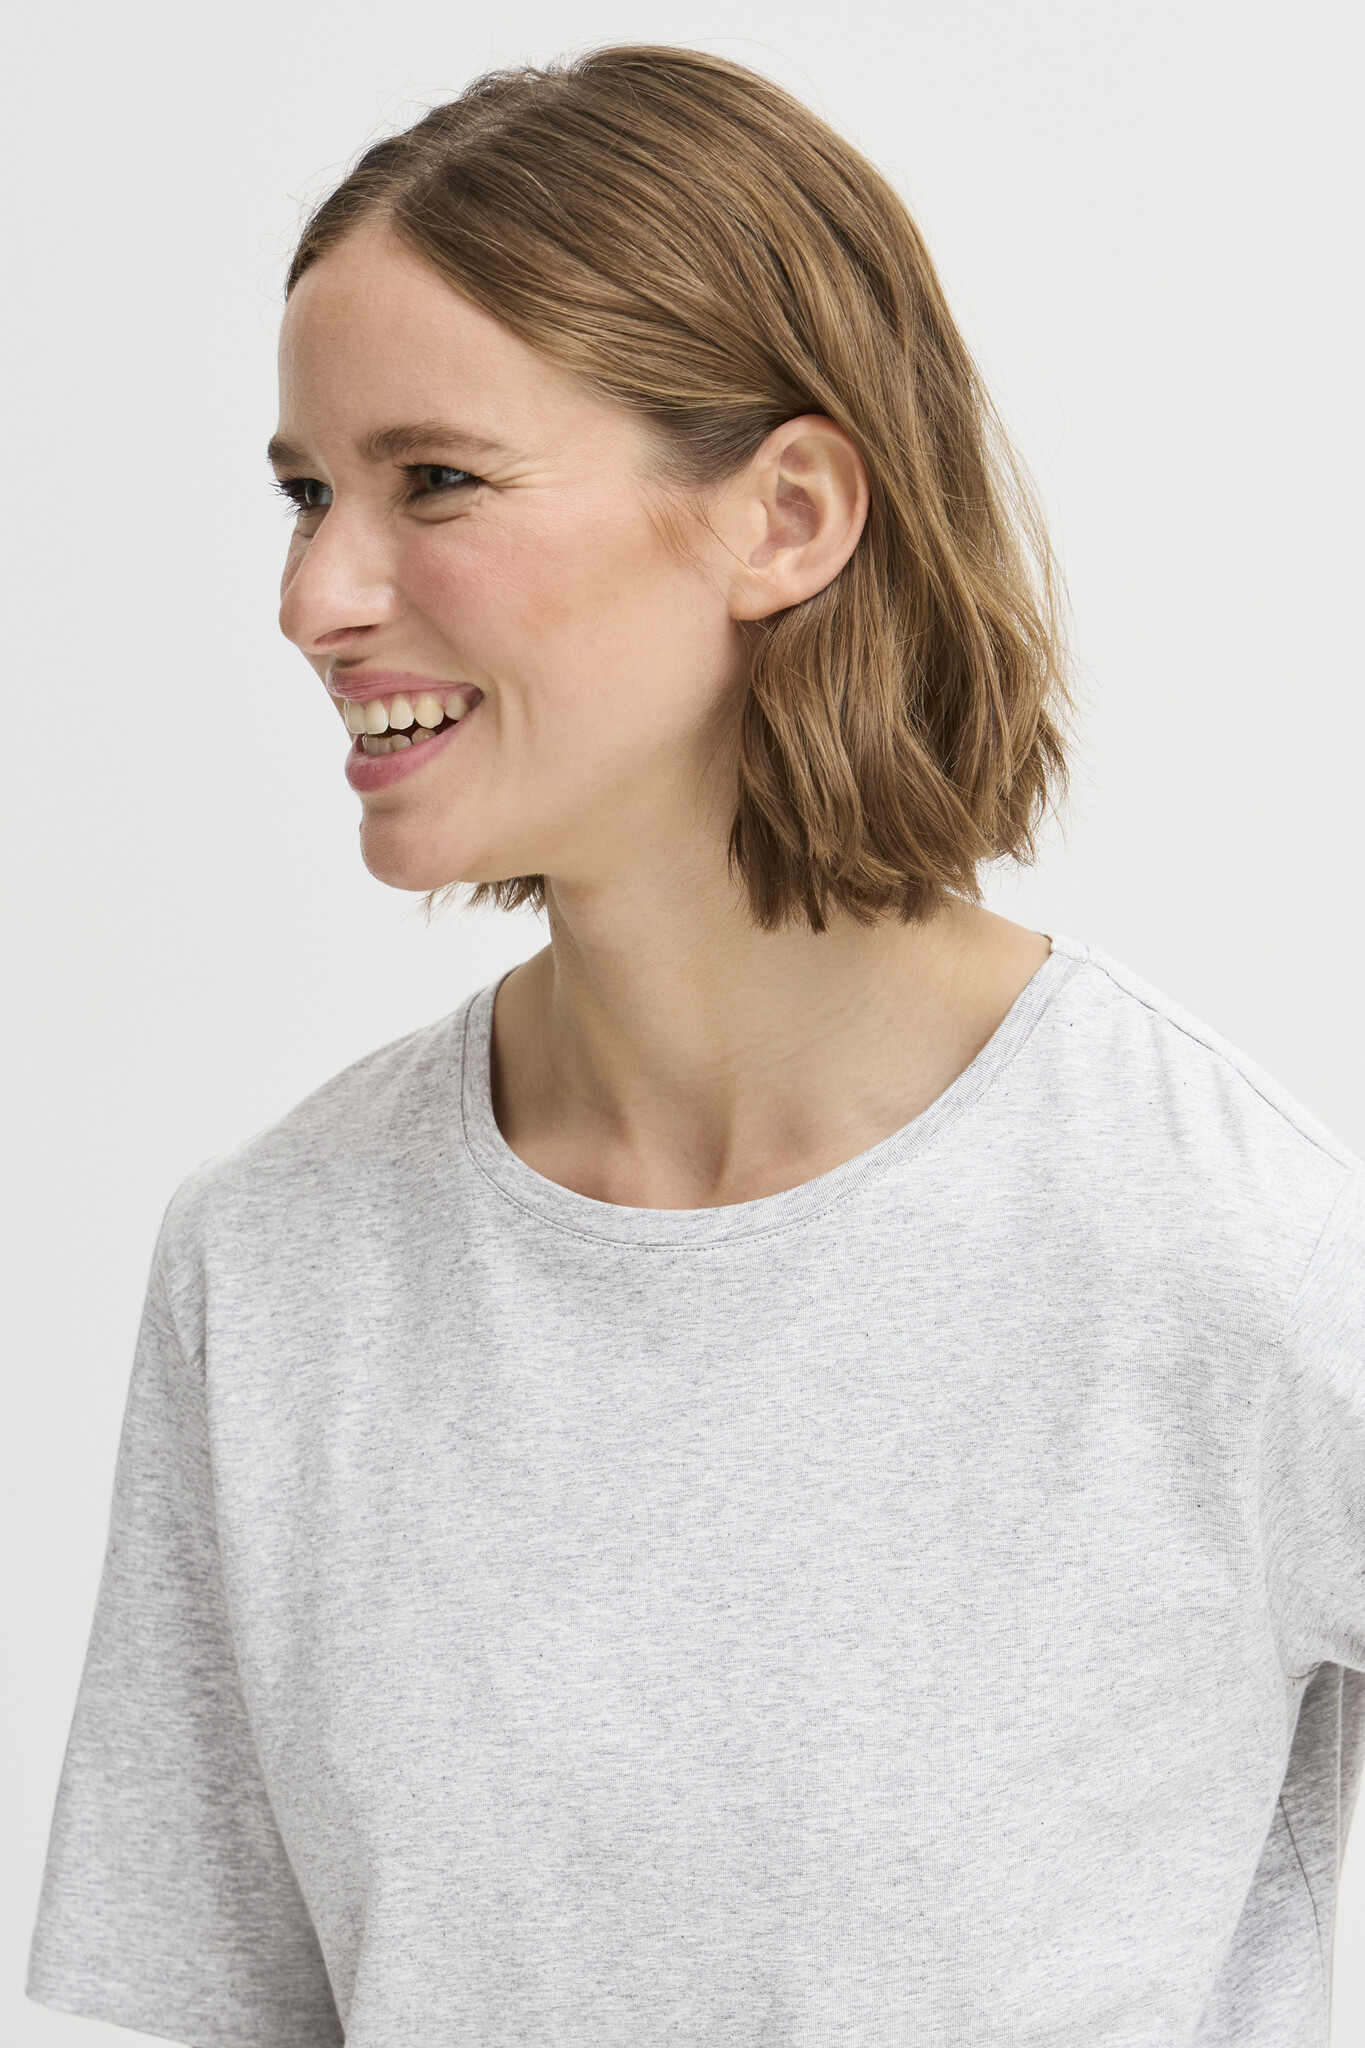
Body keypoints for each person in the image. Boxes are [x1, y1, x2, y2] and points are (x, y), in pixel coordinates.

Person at [25, 43, 1364, 2048]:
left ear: (786, 516)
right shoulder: (277, 1265)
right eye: (306, 495)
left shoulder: (1225, 1253)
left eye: (434, 480)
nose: (314, 595)